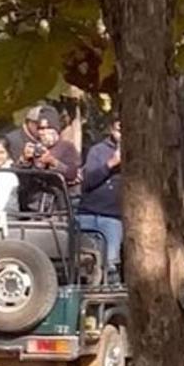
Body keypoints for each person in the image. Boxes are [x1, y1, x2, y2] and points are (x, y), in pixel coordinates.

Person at [77, 118, 122, 279]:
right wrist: (111, 164)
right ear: (111, 129)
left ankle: (111, 299)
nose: (121, 134)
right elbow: (87, 181)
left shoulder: (138, 152)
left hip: (113, 217)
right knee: (84, 261)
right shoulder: (97, 151)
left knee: (110, 262)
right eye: (118, 129)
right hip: (88, 213)